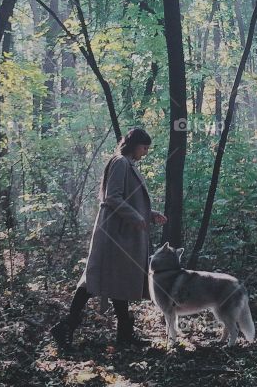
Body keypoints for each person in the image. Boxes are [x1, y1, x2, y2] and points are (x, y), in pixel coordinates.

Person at [51, 127, 167, 348]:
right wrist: (134, 217)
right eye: (144, 147)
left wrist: (150, 215)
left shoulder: (127, 164)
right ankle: (66, 326)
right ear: (134, 145)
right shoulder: (121, 162)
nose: (145, 152)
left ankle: (123, 335)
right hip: (113, 234)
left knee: (116, 281)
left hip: (121, 234)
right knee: (93, 280)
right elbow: (112, 197)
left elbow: (129, 200)